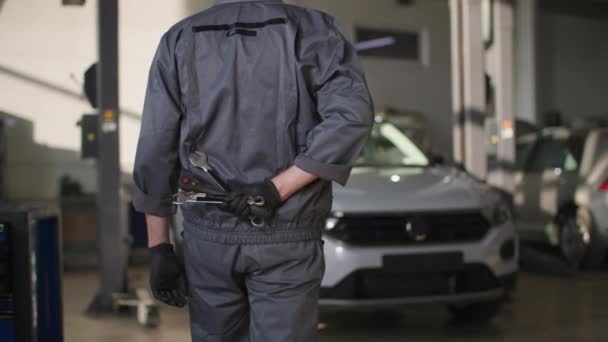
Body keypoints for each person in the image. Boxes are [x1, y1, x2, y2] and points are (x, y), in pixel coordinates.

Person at [132, 0, 373, 340]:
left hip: (208, 239)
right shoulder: (313, 31)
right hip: (287, 234)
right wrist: (278, 188)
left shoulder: (180, 38)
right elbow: (351, 118)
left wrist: (158, 246)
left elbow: (156, 147)